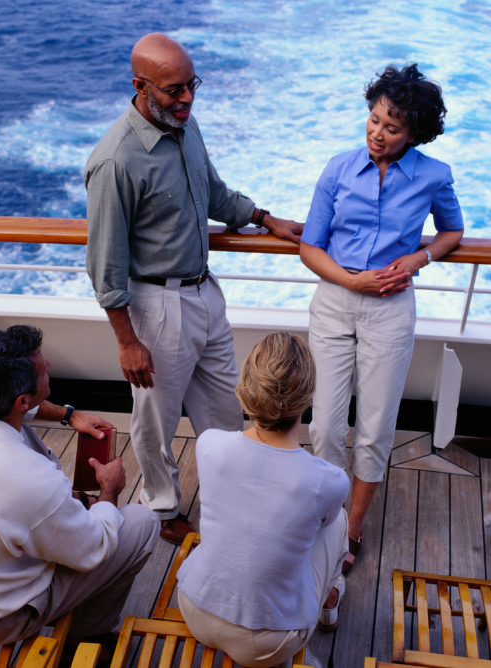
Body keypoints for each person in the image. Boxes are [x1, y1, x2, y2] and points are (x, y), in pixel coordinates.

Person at [84, 32, 303, 545]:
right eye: (172, 90)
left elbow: (215, 192)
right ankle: (161, 511)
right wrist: (126, 341)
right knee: (156, 420)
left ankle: (231, 494)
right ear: (139, 87)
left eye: (191, 86)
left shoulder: (184, 124)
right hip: (156, 307)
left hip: (204, 293)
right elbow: (104, 262)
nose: (186, 99)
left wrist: (264, 217)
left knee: (226, 408)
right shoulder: (115, 160)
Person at [300, 63, 464, 574]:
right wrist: (352, 281)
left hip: (391, 310)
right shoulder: (337, 168)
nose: (377, 133)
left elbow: (451, 231)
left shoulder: (434, 175)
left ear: (414, 133)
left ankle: (351, 527)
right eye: (373, 121)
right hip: (335, 300)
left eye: (392, 128)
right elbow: (310, 246)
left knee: (374, 429)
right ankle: (326, 518)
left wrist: (419, 259)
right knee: (326, 425)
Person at [0, 325, 159, 655]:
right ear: (20, 399)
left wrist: (68, 415)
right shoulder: (30, 480)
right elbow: (93, 548)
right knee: (142, 523)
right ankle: (88, 637)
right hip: (1, 616)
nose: (49, 365)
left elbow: (27, 407)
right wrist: (109, 490)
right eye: (42, 366)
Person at [176, 333, 350, 668]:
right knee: (336, 521)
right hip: (267, 642)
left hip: (194, 606)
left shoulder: (210, 444)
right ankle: (327, 603)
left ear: (246, 388)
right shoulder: (327, 480)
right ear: (309, 399)